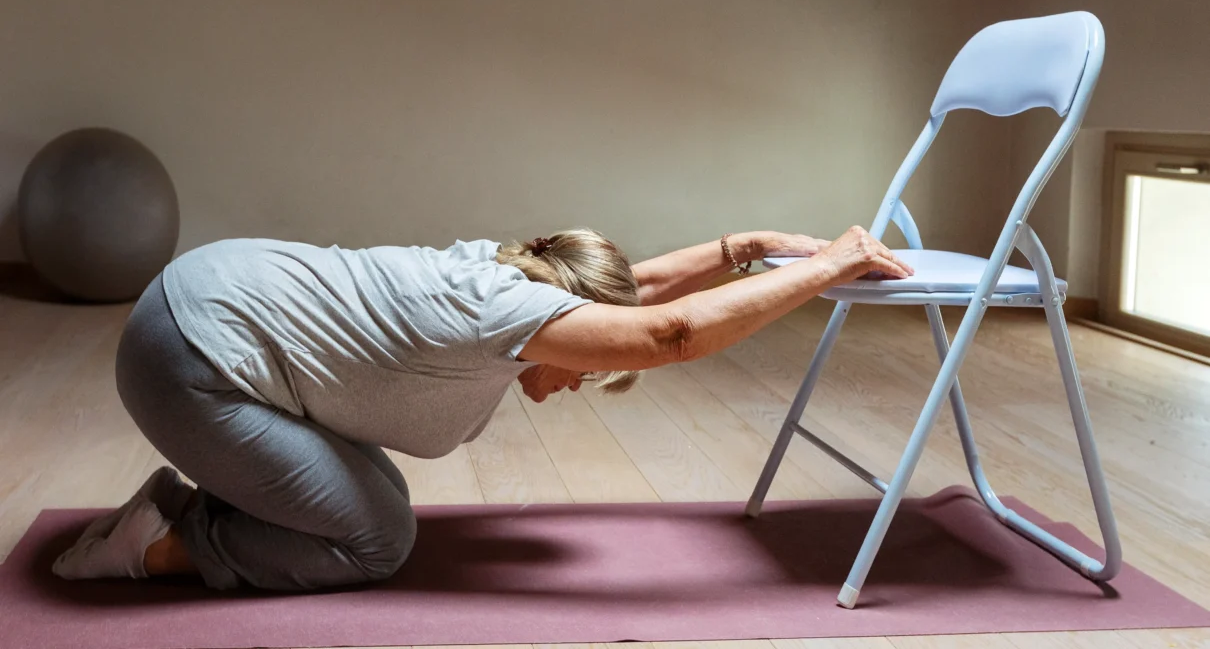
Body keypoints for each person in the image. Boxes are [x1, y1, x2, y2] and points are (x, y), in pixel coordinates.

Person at [51, 226, 912, 591]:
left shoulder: (515, 272)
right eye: (582, 365)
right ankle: (155, 548)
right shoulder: (503, 315)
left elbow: (641, 290)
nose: (574, 381)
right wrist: (829, 267)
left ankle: (194, 502)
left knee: (376, 492)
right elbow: (670, 332)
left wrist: (750, 247)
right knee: (376, 539)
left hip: (203, 300)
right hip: (186, 360)